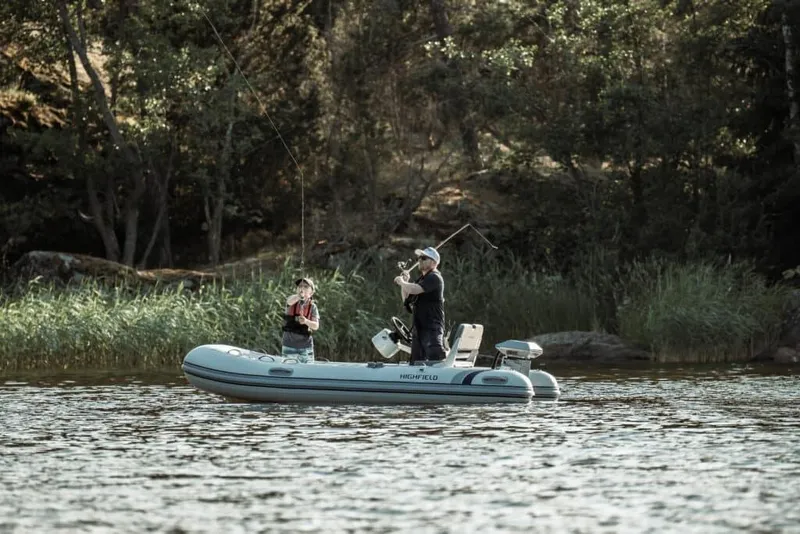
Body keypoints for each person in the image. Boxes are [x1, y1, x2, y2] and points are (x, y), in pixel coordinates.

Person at [393, 246, 446, 364]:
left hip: (432, 329)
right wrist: (405, 281)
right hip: (419, 329)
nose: (420, 260)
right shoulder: (422, 279)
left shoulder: (435, 277)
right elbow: (406, 299)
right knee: (415, 363)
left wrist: (402, 282)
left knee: (436, 362)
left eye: (423, 258)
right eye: (419, 258)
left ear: (433, 263)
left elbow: (415, 289)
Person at [281, 277, 320, 363]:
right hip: (289, 345)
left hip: (306, 347)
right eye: (300, 286)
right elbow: (289, 302)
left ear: (311, 292)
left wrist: (306, 321)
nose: (302, 288)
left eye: (305, 287)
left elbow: (316, 326)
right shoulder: (292, 299)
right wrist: (299, 296)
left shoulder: (313, 307)